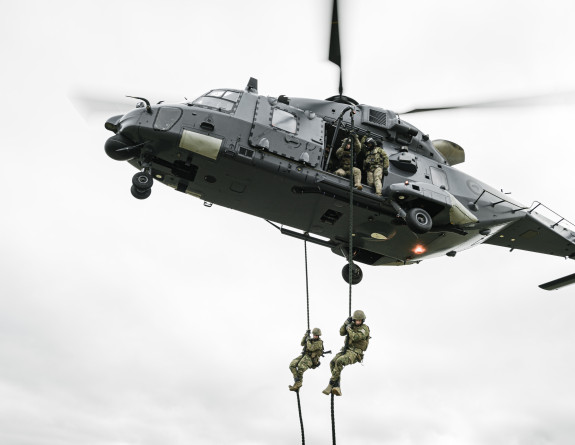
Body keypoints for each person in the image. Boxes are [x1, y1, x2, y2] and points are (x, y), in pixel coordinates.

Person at [322, 310, 370, 396]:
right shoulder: (352, 326)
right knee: (333, 362)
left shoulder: (364, 328)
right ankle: (337, 386)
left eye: (360, 320)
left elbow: (355, 337)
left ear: (362, 320)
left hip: (356, 353)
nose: (358, 322)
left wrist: (349, 328)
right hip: (347, 349)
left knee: (339, 361)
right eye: (356, 320)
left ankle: (331, 383)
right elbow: (341, 333)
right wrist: (345, 324)